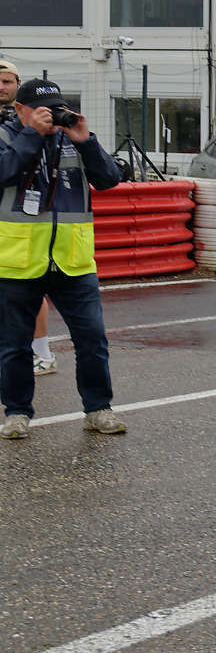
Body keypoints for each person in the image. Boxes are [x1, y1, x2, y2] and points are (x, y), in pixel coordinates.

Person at [1, 80, 126, 439]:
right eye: (42, 109)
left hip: (72, 260)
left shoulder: (72, 139)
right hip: (17, 260)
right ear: (20, 109)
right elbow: (4, 172)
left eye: (56, 108)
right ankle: (17, 413)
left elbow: (108, 180)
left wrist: (86, 141)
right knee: (14, 346)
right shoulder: (7, 137)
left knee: (92, 340)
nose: (51, 115)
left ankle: (98, 409)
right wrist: (32, 135)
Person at [0, 63, 56, 378]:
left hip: (20, 214)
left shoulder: (26, 122)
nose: (0, 86)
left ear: (18, 86)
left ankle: (42, 353)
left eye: (7, 81)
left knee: (31, 287)